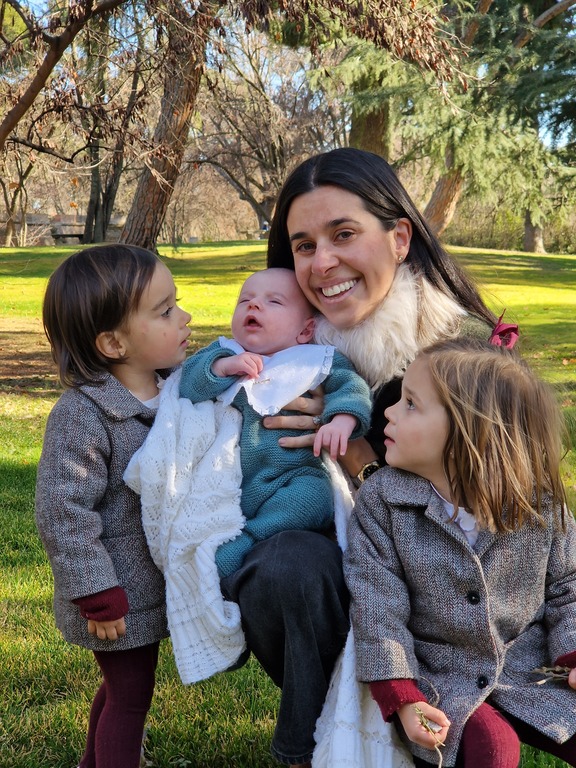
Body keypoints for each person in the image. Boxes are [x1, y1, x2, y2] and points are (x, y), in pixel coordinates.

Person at [219, 147, 509, 768]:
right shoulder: (285, 359)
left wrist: (358, 454)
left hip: (449, 606)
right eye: (302, 245)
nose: (322, 264)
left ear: (400, 237)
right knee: (283, 565)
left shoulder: (466, 361)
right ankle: (319, 743)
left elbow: (501, 521)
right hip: (331, 584)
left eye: (343, 234)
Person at [344, 337, 576, 768]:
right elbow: (378, 609)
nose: (389, 412)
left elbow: (570, 587)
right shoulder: (382, 502)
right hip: (440, 676)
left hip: (531, 669)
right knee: (492, 748)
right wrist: (403, 697)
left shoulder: (539, 507)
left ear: (470, 434)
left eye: (410, 403)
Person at [35, 245, 191, 768]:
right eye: (165, 311)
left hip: (148, 588)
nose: (185, 318)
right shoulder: (84, 415)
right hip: (113, 595)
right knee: (131, 697)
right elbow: (63, 512)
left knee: (122, 686)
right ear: (113, 342)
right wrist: (96, 592)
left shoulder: (172, 391)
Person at [179, 267, 372, 578]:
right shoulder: (225, 351)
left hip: (290, 476)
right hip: (229, 479)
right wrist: (224, 366)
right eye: (245, 300)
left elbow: (349, 386)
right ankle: (213, 553)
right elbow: (188, 384)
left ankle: (249, 541)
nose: (254, 306)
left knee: (313, 499)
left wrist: (343, 419)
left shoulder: (315, 359)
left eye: (274, 302)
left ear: (305, 330)